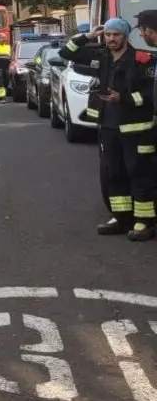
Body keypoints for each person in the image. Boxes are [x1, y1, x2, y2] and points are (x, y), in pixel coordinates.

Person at [59, 19, 157, 241]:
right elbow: (66, 53)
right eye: (108, 34)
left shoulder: (143, 60)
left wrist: (123, 98)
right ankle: (121, 218)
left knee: (139, 176)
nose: (111, 39)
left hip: (136, 130)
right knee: (114, 174)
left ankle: (144, 222)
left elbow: (150, 95)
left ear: (125, 36)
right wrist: (87, 37)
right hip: (108, 128)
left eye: (116, 35)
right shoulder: (101, 57)